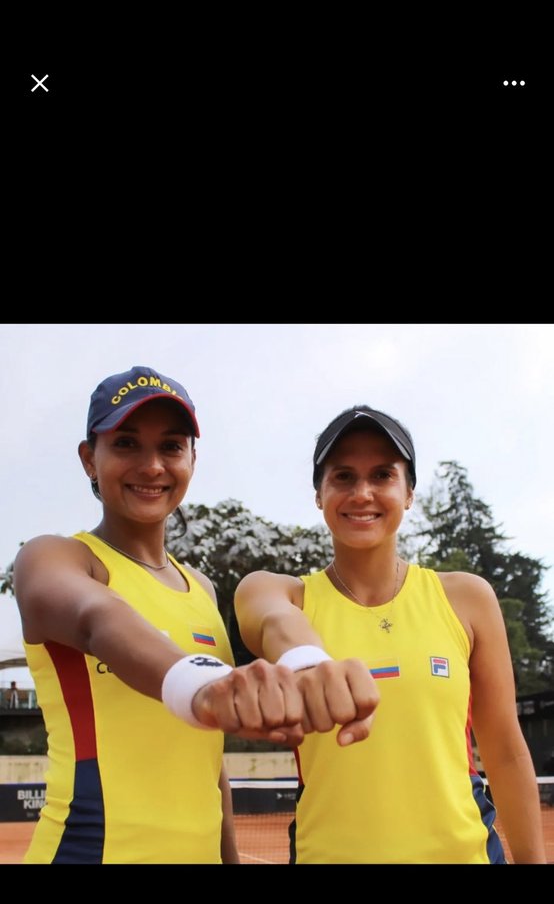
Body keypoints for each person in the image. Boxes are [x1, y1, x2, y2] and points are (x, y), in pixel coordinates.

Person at [14, 367, 378, 865]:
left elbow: (210, 763)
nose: (152, 466)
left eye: (170, 446)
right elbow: (97, 618)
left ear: (191, 459)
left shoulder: (202, 588)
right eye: (126, 444)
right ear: (89, 459)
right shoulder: (55, 557)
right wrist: (200, 686)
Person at [235, 405, 547, 864]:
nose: (362, 493)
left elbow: (505, 751)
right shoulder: (282, 594)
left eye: (382, 475)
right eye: (343, 476)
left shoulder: (466, 598)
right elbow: (273, 621)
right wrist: (309, 662)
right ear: (319, 495)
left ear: (409, 493)